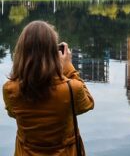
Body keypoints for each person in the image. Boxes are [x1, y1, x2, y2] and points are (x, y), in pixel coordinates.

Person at [2, 20, 94, 155]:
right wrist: (67, 67)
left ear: (21, 52)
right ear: (52, 52)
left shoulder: (10, 90)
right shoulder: (71, 89)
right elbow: (87, 104)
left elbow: (12, 113)